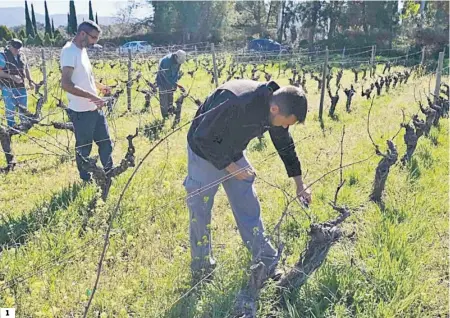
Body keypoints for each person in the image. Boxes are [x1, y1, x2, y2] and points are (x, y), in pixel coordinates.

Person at [184, 79, 311, 282]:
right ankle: (202, 269)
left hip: (233, 150)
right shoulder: (235, 100)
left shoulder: (275, 109)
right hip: (204, 152)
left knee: (248, 204)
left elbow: (285, 146)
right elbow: (203, 137)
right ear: (275, 108)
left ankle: (266, 262)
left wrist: (299, 184)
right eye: (287, 122)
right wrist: (231, 167)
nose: (286, 126)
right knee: (200, 207)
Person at [60, 21, 113, 183]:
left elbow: (85, 77)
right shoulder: (69, 52)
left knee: (106, 143)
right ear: (82, 34)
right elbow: (66, 84)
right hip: (81, 111)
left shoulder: (82, 50)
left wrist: (99, 87)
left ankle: (110, 173)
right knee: (84, 148)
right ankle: (86, 178)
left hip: (94, 109)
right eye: (93, 37)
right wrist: (93, 97)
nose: (95, 42)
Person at [0, 39, 35, 127]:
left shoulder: (22, 55)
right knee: (10, 108)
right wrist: (12, 77)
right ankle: (12, 127)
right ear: (10, 46)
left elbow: (26, 68)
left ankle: (24, 125)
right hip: (8, 87)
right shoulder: (3, 56)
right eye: (15, 48)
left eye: (19, 49)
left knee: (23, 107)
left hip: (21, 86)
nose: (17, 51)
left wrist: (30, 81)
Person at [155, 50, 186, 119]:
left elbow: (176, 72)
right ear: (175, 56)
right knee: (164, 101)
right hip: (162, 81)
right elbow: (164, 75)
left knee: (170, 98)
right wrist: (172, 84)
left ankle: (170, 112)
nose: (179, 63)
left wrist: (175, 83)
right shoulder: (167, 61)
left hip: (171, 81)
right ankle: (165, 116)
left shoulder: (178, 61)